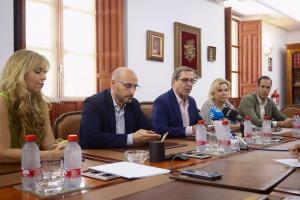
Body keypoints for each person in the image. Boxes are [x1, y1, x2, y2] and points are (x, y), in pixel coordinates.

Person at [0, 50, 64, 163]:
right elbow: (3, 153)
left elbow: (49, 144)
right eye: (38, 71)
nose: (44, 77)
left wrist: (63, 147)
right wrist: (50, 154)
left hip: (28, 168)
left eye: (45, 72)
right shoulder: (2, 101)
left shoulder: (41, 103)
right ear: (19, 73)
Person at [79, 67, 160, 149]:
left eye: (135, 87)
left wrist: (149, 135)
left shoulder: (133, 103)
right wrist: (130, 139)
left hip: (126, 156)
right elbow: (90, 138)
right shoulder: (94, 103)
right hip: (101, 157)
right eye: (128, 86)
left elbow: (149, 129)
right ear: (113, 83)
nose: (132, 92)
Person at [152, 66, 202, 138]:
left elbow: (198, 121)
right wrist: (190, 130)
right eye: (185, 80)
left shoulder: (191, 101)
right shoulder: (162, 101)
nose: (189, 84)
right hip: (173, 144)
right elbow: (160, 131)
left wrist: (208, 126)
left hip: (191, 143)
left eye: (192, 81)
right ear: (174, 81)